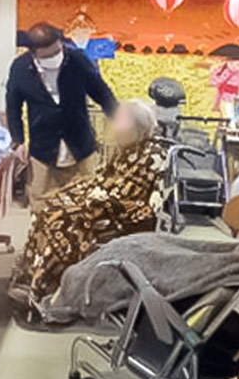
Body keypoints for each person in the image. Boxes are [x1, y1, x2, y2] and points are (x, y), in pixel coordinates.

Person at [9, 99, 166, 303]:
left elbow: (130, 192)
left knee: (64, 219)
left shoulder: (152, 154)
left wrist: (93, 197)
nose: (116, 128)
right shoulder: (129, 147)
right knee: (49, 207)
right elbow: (105, 177)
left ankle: (48, 291)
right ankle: (30, 275)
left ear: (138, 127)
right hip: (108, 200)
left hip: (125, 211)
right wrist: (82, 191)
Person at [6, 22, 117, 214]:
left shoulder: (77, 60)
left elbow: (101, 92)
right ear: (34, 53)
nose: (55, 58)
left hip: (81, 145)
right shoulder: (20, 68)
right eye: (48, 56)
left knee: (90, 202)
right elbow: (13, 106)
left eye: (58, 51)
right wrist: (18, 141)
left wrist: (118, 119)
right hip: (42, 147)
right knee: (41, 204)